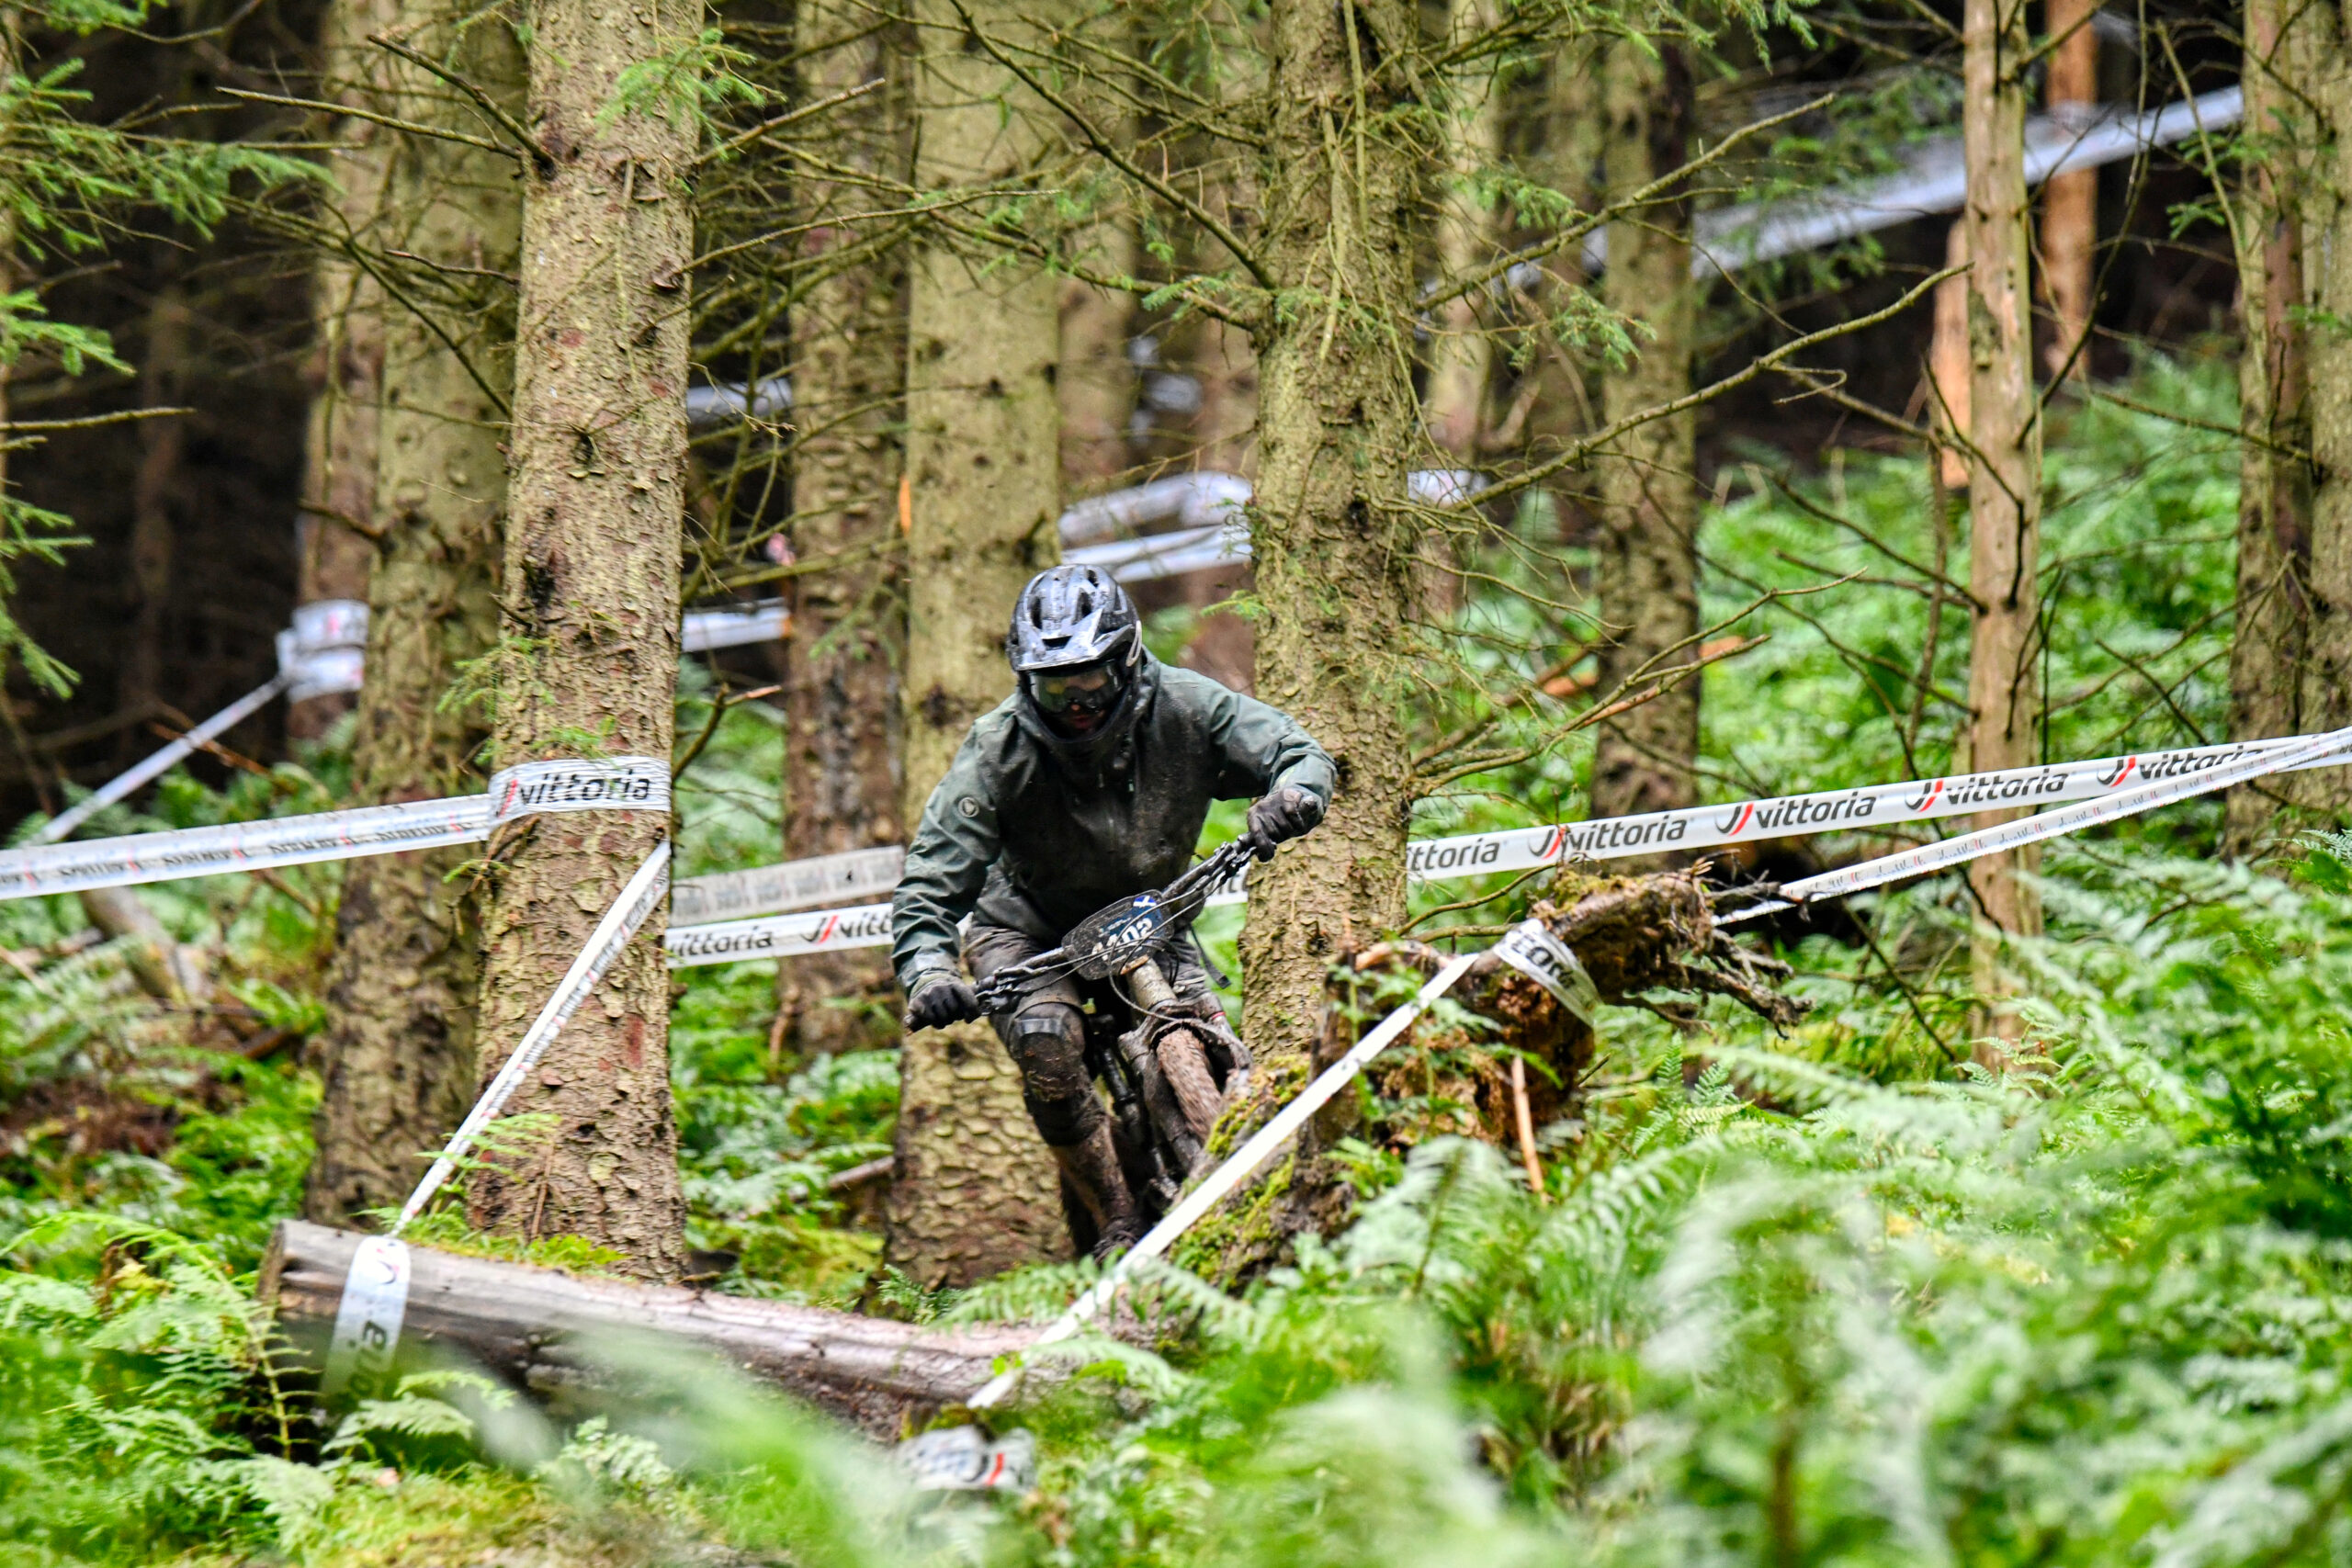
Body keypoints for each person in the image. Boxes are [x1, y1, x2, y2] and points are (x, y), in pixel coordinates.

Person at [890, 564, 1335, 1257]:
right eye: (1053, 684)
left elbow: (1292, 749)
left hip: (1154, 913)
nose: (1075, 702)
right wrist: (926, 968)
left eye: (1089, 679)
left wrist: (1295, 794)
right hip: (1028, 931)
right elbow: (931, 877)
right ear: (1023, 678)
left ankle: (1248, 1160)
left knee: (1211, 1031)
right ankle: (1116, 1216)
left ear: (1126, 659)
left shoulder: (1186, 706)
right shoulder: (996, 750)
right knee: (1047, 1044)